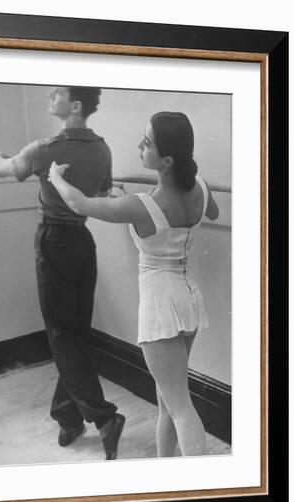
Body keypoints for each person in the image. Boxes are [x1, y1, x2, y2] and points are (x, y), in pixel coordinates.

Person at [48, 111, 219, 457]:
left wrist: (55, 177)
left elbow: (79, 202)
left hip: (160, 307)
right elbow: (210, 213)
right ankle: (165, 474)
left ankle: (202, 489)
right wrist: (128, 200)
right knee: (168, 399)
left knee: (180, 405)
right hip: (187, 300)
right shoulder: (199, 187)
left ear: (167, 160)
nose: (140, 145)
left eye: (148, 142)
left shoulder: (140, 206)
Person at [0, 86, 125, 460]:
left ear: (75, 106)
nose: (50, 95)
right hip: (84, 242)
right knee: (75, 333)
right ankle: (68, 416)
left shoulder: (45, 148)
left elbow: (4, 168)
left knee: (63, 335)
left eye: (58, 93)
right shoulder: (103, 149)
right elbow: (104, 190)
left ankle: (104, 417)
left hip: (53, 242)